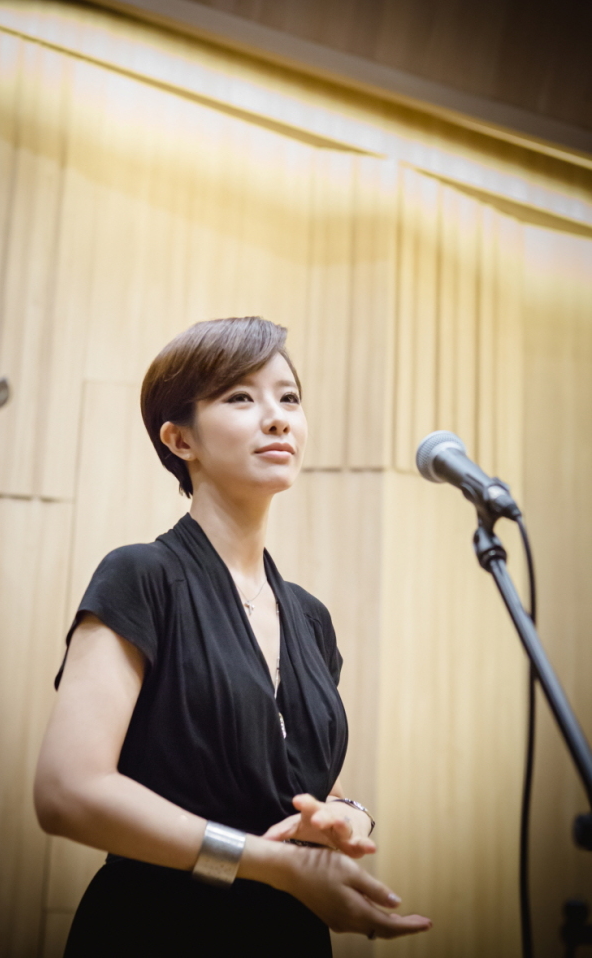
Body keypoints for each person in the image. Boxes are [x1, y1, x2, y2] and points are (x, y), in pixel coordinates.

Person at [34, 316, 432, 956]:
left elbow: (274, 780)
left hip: (288, 933)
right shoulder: (142, 575)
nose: (277, 418)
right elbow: (66, 793)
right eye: (241, 397)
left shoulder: (309, 617)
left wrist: (347, 814)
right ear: (180, 438)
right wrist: (269, 865)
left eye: (289, 398)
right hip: (152, 928)